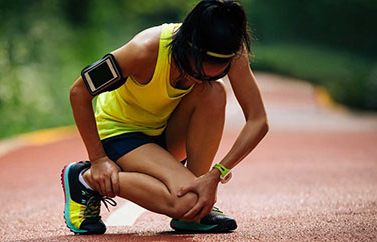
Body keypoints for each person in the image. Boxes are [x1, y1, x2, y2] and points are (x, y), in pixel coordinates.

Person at [61, 0, 269, 235]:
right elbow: (79, 92)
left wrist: (214, 175)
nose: (199, 80)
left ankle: (194, 206)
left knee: (214, 91)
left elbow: (258, 120)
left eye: (219, 70)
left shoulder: (228, 50)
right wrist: (98, 159)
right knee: (187, 203)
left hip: (164, 133)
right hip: (121, 133)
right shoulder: (143, 50)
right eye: (196, 71)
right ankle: (85, 179)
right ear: (189, 46)